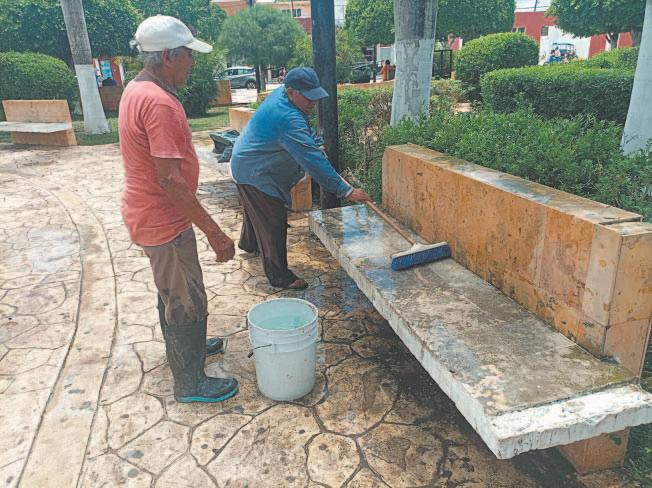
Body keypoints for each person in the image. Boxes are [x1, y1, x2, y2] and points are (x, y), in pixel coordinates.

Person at [118, 15, 238, 404]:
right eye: (189, 53)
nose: (193, 61)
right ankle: (190, 382)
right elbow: (170, 180)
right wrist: (215, 232)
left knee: (172, 290)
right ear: (168, 55)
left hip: (150, 214)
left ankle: (191, 348)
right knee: (186, 298)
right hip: (163, 219)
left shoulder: (137, 88)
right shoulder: (158, 102)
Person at [230, 67, 371, 290]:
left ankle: (249, 244)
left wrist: (316, 143)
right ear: (291, 91)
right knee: (272, 220)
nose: (313, 102)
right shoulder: (285, 116)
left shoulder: (285, 98)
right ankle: (280, 277)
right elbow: (313, 162)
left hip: (247, 162)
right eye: (308, 97)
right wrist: (347, 191)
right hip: (255, 172)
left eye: (315, 95)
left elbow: (305, 130)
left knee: (257, 209)